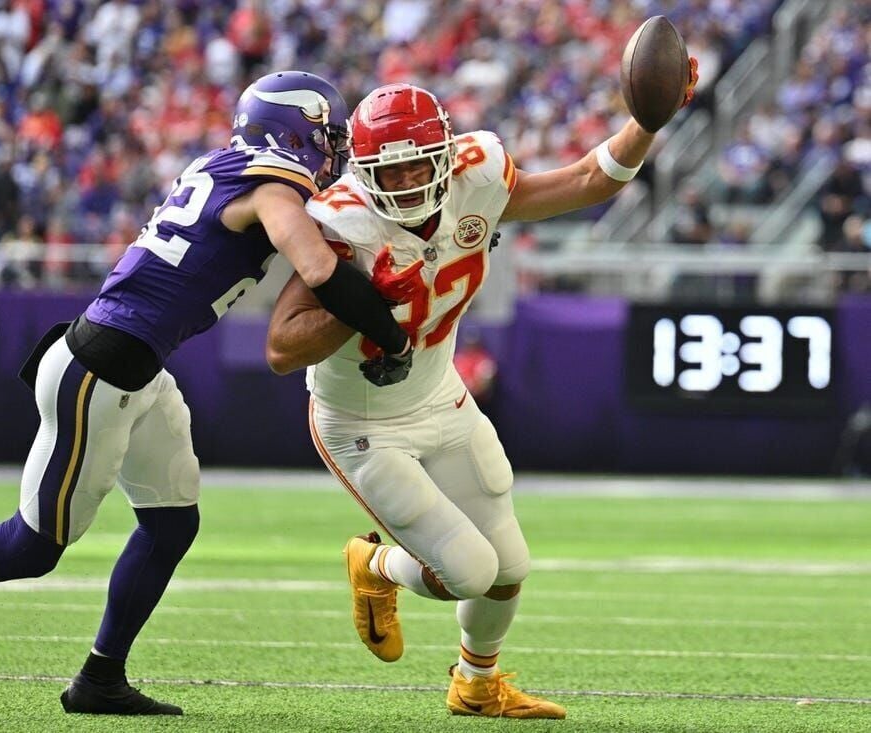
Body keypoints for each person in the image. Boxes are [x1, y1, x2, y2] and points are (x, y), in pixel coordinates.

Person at [0, 71, 413, 715]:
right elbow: (318, 269)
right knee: (29, 547)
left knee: (173, 521)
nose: (336, 150)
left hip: (136, 370)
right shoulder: (269, 182)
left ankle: (100, 677)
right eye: (328, 136)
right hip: (100, 371)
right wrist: (391, 334)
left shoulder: (230, 166)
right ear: (294, 132)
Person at [266, 65, 697, 719]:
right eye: (392, 171)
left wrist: (646, 122)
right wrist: (364, 303)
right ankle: (375, 565)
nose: (409, 182)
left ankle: (475, 683)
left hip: (441, 394)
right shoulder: (341, 222)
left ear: (446, 153)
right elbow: (281, 345)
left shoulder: (479, 174)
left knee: (509, 565)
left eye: (420, 167)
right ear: (363, 172)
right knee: (466, 569)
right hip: (363, 422)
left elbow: (587, 180)